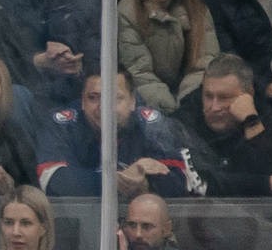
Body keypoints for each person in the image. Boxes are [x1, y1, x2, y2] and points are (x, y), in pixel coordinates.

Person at [37, 67, 198, 198]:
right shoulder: (63, 124)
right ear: (83, 102)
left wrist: (144, 184)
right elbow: (52, 180)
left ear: (132, 101)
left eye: (114, 98)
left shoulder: (152, 125)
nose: (104, 107)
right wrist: (113, 182)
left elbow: (181, 182)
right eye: (93, 98)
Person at [119, 0, 218, 115]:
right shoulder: (127, 12)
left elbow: (204, 63)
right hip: (148, 103)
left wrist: (186, 103)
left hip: (190, 100)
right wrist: (171, 110)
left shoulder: (198, 11)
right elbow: (139, 73)